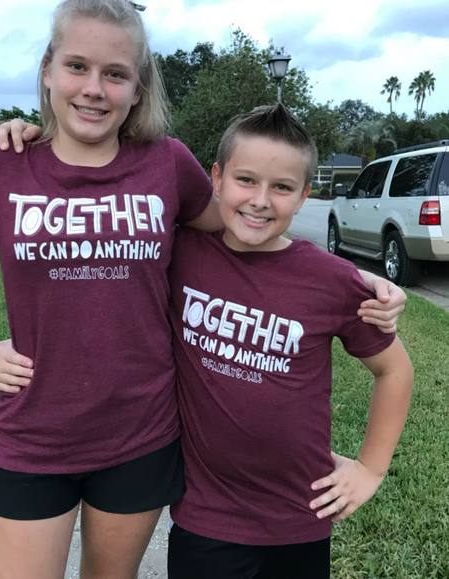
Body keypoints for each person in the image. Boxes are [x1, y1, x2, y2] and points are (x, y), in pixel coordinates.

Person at [0, 1, 404, 577]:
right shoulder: (2, 161)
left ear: (138, 88)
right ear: (48, 69)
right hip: (35, 434)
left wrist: (359, 281)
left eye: (115, 73)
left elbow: (248, 228)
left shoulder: (167, 164)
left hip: (140, 435)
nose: (94, 88)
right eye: (77, 66)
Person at [165, 105, 413, 578]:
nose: (260, 201)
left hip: (301, 513)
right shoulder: (180, 252)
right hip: (207, 515)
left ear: (303, 196)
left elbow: (395, 370)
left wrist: (370, 469)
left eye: (281, 187)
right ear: (216, 178)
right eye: (246, 180)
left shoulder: (331, 281)